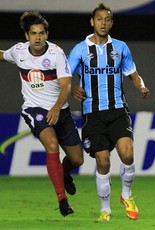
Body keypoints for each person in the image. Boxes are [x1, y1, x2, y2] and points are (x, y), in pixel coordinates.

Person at [68, 3, 150, 222]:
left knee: (127, 153)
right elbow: (64, 76)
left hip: (117, 109)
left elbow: (133, 73)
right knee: (103, 162)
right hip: (92, 113)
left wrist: (141, 86)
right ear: (92, 22)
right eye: (99, 19)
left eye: (107, 19)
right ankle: (105, 209)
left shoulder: (121, 48)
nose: (103, 23)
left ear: (111, 22)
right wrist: (72, 88)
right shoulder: (80, 50)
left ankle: (126, 195)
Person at [0, 11, 84, 216]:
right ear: (27, 35)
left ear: (47, 34)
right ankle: (62, 200)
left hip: (60, 110)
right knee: (52, 145)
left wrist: (56, 108)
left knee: (77, 160)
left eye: (41, 33)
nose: (38, 37)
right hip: (34, 109)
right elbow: (2, 55)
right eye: (33, 33)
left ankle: (64, 174)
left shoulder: (56, 54)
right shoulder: (18, 51)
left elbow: (65, 87)